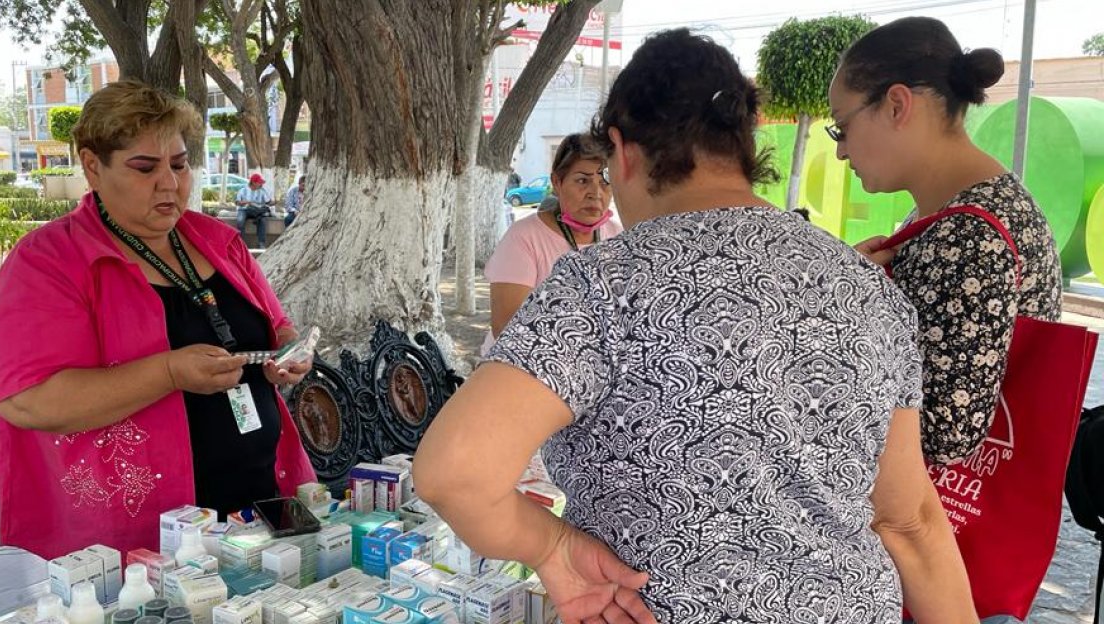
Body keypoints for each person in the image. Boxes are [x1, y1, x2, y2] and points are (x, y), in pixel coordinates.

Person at [413, 29, 977, 624]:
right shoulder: (868, 287)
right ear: (742, 146)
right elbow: (911, 521)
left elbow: (455, 475)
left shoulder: (602, 284)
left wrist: (553, 547)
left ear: (621, 151)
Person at [0, 80, 317, 559]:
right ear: (92, 167)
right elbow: (27, 401)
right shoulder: (48, 262)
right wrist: (169, 373)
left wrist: (286, 352)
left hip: (265, 494)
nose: (170, 183)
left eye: (179, 165)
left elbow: (275, 325)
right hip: (144, 535)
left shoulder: (217, 241)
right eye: (145, 168)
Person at [833, 17, 1062, 465]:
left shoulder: (973, 234)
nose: (841, 150)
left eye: (841, 126)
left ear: (897, 105)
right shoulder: (952, 210)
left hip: (941, 521)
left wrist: (847, 309)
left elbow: (943, 436)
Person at [481, 134, 623, 355]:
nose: (595, 193)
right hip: (524, 364)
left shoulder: (617, 234)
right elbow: (506, 326)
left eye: (605, 181)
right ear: (557, 182)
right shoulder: (524, 237)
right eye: (582, 180)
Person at [236, 173, 274, 248]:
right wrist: (245, 202)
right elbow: (237, 202)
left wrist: (275, 201)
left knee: (262, 220)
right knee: (240, 221)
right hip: (244, 209)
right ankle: (242, 244)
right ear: (253, 182)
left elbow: (268, 202)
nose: (261, 184)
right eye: (259, 183)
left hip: (257, 211)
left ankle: (261, 243)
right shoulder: (243, 190)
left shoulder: (262, 191)